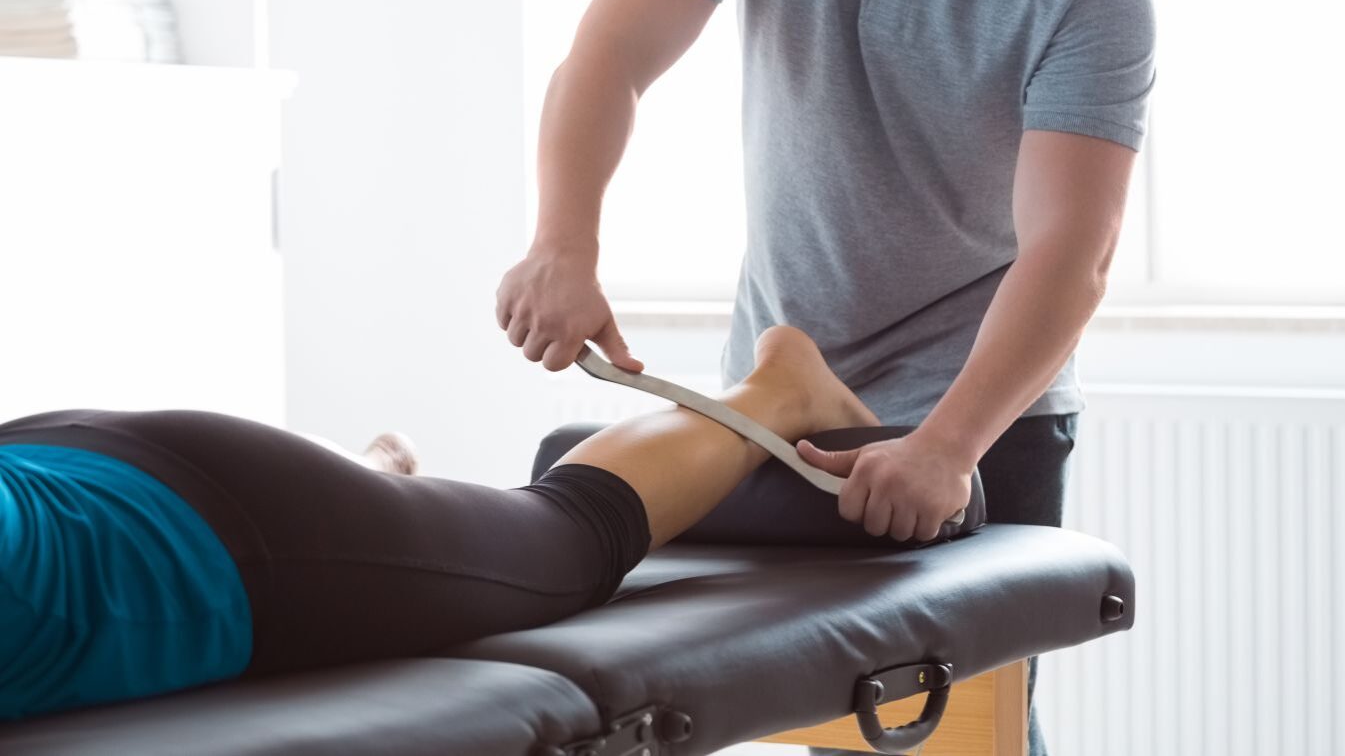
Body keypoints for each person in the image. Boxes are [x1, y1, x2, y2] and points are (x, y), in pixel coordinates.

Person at [494, 0, 1156, 752]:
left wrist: (947, 445)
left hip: (978, 405)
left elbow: (1070, 246)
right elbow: (610, 56)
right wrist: (563, 240)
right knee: (826, 716)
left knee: (955, 734)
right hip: (780, 399)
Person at [0, 325, 885, 721]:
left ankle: (783, 386)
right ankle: (373, 475)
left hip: (216, 531)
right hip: (76, 469)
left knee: (565, 537)